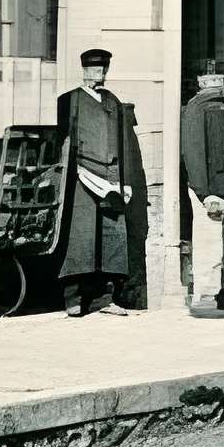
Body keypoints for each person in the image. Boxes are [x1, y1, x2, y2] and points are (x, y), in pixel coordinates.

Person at [52, 49, 148, 316]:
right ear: (84, 71)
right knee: (81, 238)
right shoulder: (69, 100)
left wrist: (124, 182)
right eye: (95, 69)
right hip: (80, 180)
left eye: (104, 69)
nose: (101, 74)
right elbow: (61, 142)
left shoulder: (112, 101)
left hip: (111, 180)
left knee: (111, 239)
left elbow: (124, 143)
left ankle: (105, 298)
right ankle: (73, 298)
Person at [177, 55, 224, 318]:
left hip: (219, 188)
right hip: (210, 189)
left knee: (221, 241)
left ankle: (219, 290)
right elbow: (194, 153)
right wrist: (205, 193)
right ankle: (210, 292)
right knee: (210, 242)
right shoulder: (202, 108)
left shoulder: (217, 105)